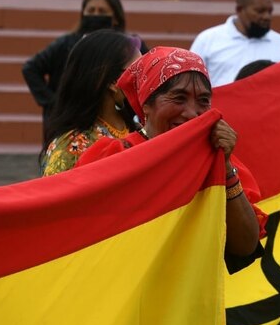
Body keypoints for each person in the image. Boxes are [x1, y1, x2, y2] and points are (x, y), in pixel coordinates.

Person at [76, 47, 264, 266]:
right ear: (146, 104)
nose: (192, 113)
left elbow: (245, 245)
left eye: (203, 101)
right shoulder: (112, 157)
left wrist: (225, 166)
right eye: (179, 98)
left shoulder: (216, 159)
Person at [22, 0, 143, 147]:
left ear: (115, 17)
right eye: (91, 10)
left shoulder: (129, 47)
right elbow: (31, 68)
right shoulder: (67, 44)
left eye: (102, 11)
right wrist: (52, 101)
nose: (95, 15)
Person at [41, 31, 141, 176]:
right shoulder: (72, 146)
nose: (145, 78)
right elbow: (56, 190)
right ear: (113, 82)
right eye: (138, 71)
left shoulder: (136, 126)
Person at [190, 0, 280, 87]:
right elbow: (191, 80)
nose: (267, 16)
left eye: (270, 11)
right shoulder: (207, 40)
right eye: (260, 11)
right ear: (239, 9)